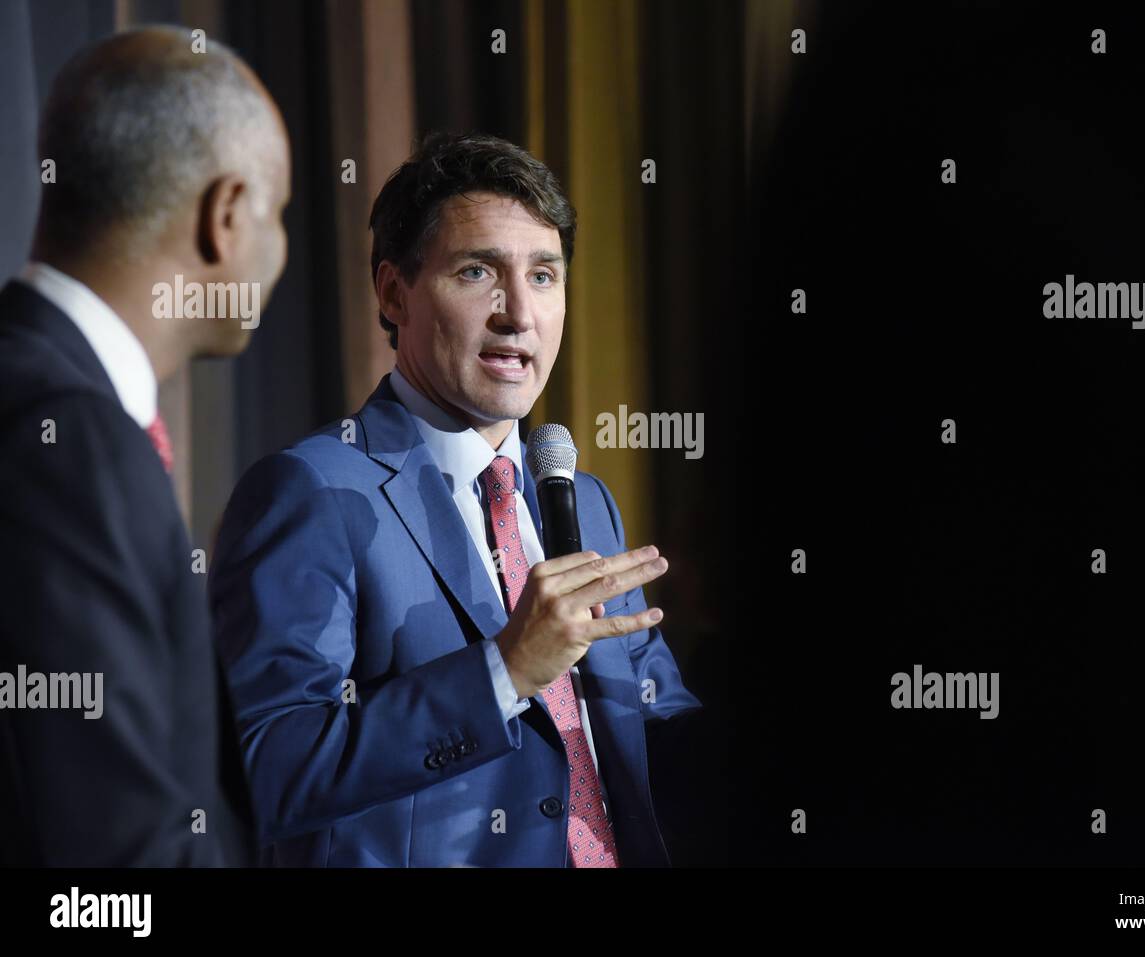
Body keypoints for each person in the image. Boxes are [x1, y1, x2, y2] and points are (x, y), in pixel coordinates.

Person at [209, 131, 702, 867]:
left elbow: (650, 729)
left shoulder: (580, 499)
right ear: (392, 292)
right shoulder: (311, 492)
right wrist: (504, 669)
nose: (518, 313)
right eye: (477, 272)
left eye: (544, 275)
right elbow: (272, 770)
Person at [0, 26, 291, 865]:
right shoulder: (70, 436)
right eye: (279, 213)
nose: (280, 247)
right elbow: (109, 856)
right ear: (227, 216)